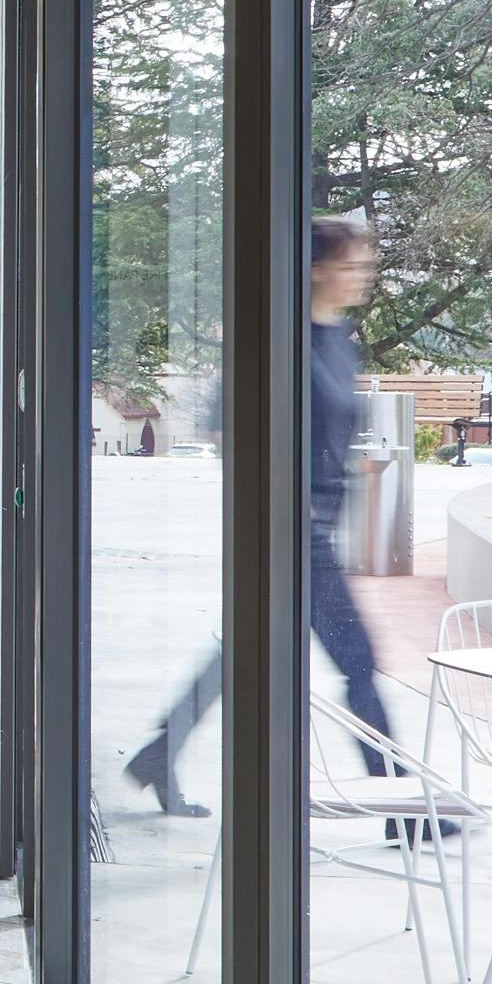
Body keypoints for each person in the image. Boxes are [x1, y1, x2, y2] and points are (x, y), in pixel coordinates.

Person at [122, 212, 403, 814]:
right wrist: (281, 499)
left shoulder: (337, 337)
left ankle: (158, 755)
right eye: (352, 265)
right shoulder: (278, 336)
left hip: (319, 523)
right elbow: (232, 430)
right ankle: (405, 807)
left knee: (241, 654)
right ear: (317, 269)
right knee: (358, 660)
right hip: (292, 530)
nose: (363, 276)